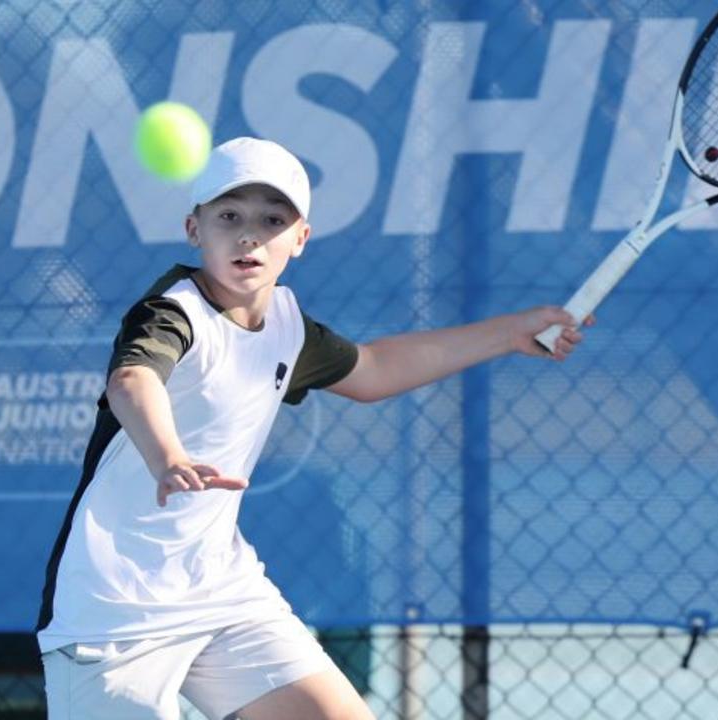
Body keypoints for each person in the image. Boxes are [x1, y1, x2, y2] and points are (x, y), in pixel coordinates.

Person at [35, 136, 590, 720]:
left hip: (222, 593)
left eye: (272, 219)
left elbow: (375, 370)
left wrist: (509, 333)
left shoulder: (286, 326)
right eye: (229, 216)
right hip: (112, 608)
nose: (249, 234)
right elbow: (132, 381)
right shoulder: (171, 314)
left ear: (300, 239)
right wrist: (168, 455)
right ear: (195, 229)